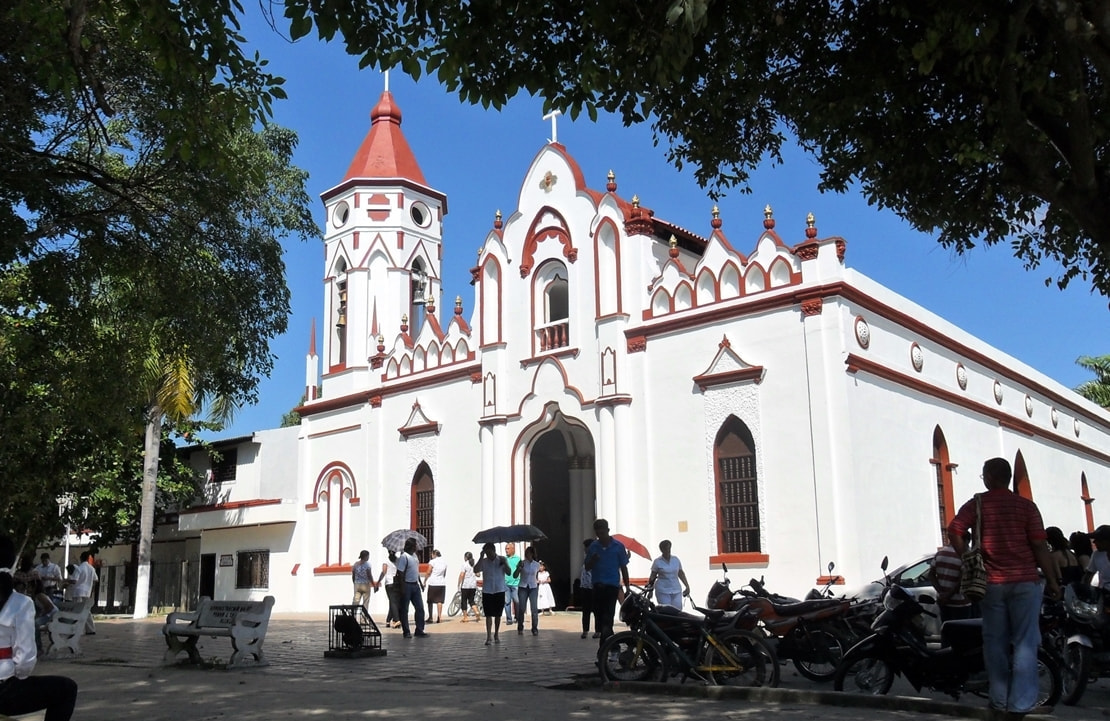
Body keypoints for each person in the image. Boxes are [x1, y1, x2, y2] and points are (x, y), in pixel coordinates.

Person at [948, 457, 1059, 719]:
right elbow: (1040, 546)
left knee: (995, 642)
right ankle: (1020, 704)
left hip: (991, 583)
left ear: (988, 477)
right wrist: (1053, 582)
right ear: (1008, 478)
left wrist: (967, 558)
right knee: (1024, 643)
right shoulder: (1027, 507)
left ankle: (998, 700)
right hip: (1025, 582)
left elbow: (954, 529)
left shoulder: (977, 503)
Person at [0, 535, 79, 721]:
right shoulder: (20, 603)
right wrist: (17, 675)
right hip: (4, 691)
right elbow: (25, 661)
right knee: (67, 689)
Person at [584, 518, 629, 644]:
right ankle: (613, 646)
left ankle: (603, 649)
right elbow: (587, 567)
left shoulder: (618, 546)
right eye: (598, 534)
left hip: (612, 586)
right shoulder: (593, 546)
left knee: (607, 618)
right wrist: (593, 560)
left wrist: (627, 586)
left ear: (608, 531)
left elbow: (624, 567)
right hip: (598, 586)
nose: (600, 536)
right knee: (600, 619)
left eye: (602, 533)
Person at [473, 542, 511, 646]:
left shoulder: (501, 559)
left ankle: (496, 634)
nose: (487, 555)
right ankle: (489, 636)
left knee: (498, 615)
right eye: (486, 553)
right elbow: (475, 569)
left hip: (499, 590)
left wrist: (505, 563)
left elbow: (509, 572)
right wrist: (481, 557)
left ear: (493, 550)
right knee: (488, 614)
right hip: (488, 591)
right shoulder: (484, 562)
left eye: (489, 552)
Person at [931, 537, 976, 621]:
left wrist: (942, 593)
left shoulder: (940, 553)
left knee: (947, 629)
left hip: (944, 603)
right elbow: (963, 580)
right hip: (961, 603)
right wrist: (948, 595)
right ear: (965, 541)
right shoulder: (965, 555)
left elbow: (931, 575)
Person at [394, 539, 428, 638]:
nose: (416, 547)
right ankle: (406, 631)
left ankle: (419, 629)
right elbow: (400, 573)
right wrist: (402, 587)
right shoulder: (404, 557)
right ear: (410, 546)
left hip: (415, 585)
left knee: (420, 608)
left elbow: (416, 571)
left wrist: (420, 583)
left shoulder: (414, 556)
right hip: (407, 585)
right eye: (414, 546)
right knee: (404, 609)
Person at [647, 539, 691, 610]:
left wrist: (687, 586)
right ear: (662, 550)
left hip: (676, 589)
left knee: (678, 610)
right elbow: (652, 577)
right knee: (666, 611)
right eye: (666, 548)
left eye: (669, 548)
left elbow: (681, 573)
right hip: (662, 590)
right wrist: (650, 590)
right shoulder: (657, 562)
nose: (668, 550)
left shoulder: (675, 559)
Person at [513, 547, 540, 635]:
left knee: (534, 609)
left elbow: (536, 575)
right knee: (522, 608)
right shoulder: (522, 563)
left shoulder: (536, 564)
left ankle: (534, 628)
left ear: (532, 554)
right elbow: (515, 575)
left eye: (529, 553)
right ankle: (520, 627)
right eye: (526, 553)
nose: (527, 555)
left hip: (533, 587)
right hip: (523, 586)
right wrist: (518, 568)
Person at [69, 551, 98, 635]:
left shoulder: (79, 568)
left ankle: (77, 630)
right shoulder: (91, 568)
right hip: (87, 592)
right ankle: (91, 629)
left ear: (81, 558)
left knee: (77, 611)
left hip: (78, 591)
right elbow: (96, 579)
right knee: (87, 611)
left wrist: (67, 581)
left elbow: (74, 580)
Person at [1081, 524, 1110, 591]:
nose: (1094, 542)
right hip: (1104, 594)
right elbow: (1088, 576)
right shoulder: (1096, 554)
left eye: (1098, 540)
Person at [377, 550, 401, 628]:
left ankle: (396, 620)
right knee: (394, 602)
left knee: (392, 602)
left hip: (389, 583)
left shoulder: (386, 560)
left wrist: (378, 581)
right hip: (396, 583)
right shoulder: (398, 560)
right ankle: (388, 620)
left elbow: (384, 572)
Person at [577, 538, 596, 639]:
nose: (584, 549)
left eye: (585, 547)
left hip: (593, 586)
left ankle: (598, 630)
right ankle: (585, 630)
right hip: (584, 587)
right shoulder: (586, 558)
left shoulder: (596, 557)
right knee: (586, 610)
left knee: (596, 609)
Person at [424, 549, 448, 623]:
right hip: (441, 583)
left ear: (434, 554)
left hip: (433, 583)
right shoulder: (444, 562)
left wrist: (424, 581)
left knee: (430, 601)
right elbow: (444, 574)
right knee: (439, 601)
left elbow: (428, 572)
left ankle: (430, 617)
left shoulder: (432, 561)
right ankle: (439, 617)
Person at [457, 552, 479, 622]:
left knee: (464, 601)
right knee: (471, 600)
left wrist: (459, 584)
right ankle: (476, 612)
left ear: (466, 557)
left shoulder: (465, 564)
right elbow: (478, 574)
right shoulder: (474, 565)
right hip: (473, 585)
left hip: (465, 585)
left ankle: (465, 617)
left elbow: (462, 575)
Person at [503, 542, 521, 625]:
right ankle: (509, 619)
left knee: (516, 601)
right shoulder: (504, 559)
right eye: (506, 549)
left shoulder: (518, 559)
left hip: (516, 583)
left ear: (513, 549)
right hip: (506, 584)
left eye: (508, 548)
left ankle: (517, 617)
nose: (506, 550)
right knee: (507, 602)